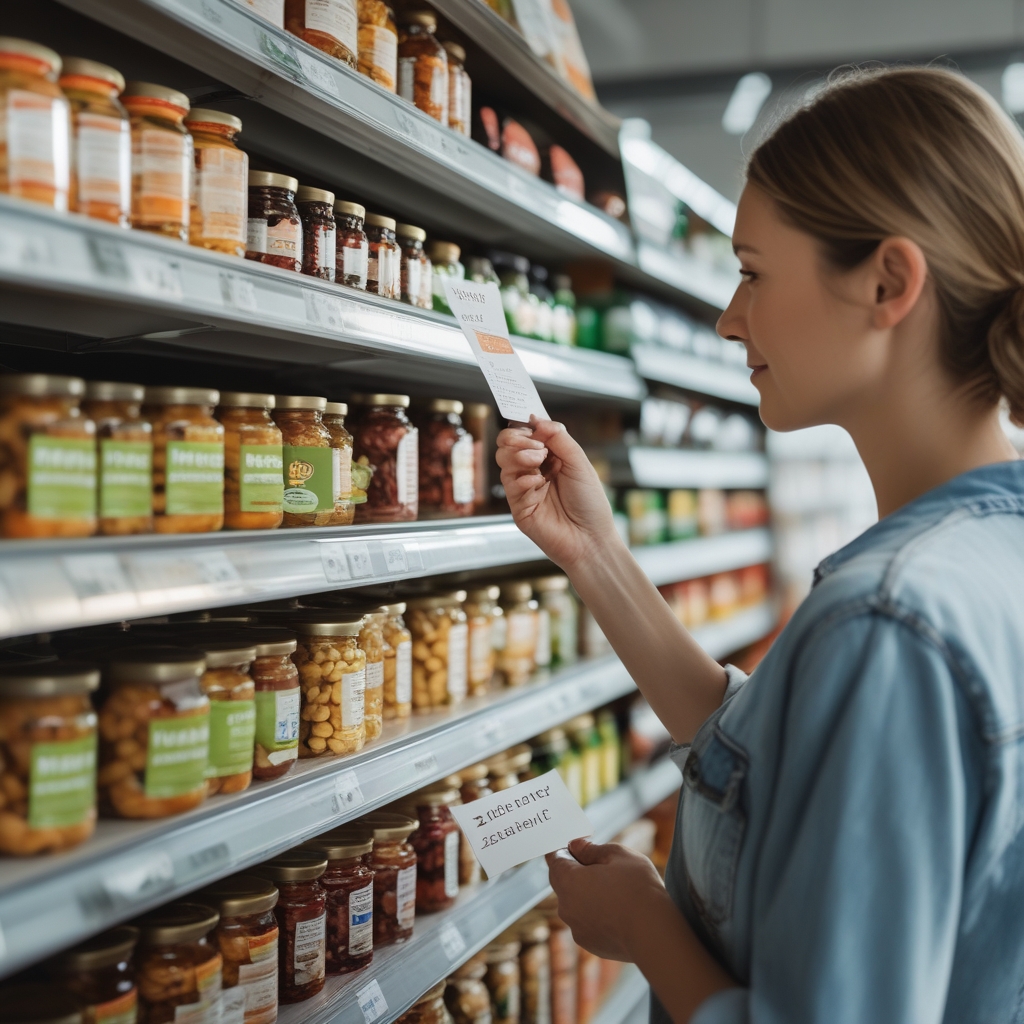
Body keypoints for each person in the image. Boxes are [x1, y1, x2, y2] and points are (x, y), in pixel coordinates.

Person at [496, 66, 1024, 1023]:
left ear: (888, 282)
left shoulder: (890, 619)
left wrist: (644, 925)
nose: (728, 317)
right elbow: (765, 757)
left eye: (752, 271)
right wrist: (595, 556)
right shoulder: (982, 556)